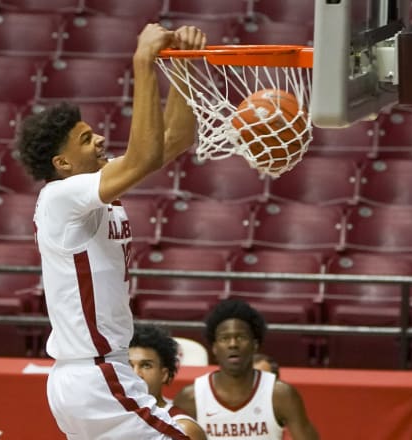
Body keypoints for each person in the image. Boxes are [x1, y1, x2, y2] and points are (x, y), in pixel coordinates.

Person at [16, 21, 206, 440]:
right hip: (94, 374)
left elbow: (172, 140)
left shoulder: (91, 189)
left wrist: (184, 68)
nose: (100, 139)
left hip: (97, 373)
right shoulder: (60, 197)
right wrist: (144, 62)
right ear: (62, 164)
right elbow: (143, 158)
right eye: (85, 139)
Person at [174, 299, 319, 440]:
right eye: (225, 338)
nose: (233, 344)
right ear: (214, 348)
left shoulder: (281, 395)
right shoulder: (190, 398)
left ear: (255, 344)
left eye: (241, 337)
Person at [129, 324, 207, 440]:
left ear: (164, 374)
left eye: (146, 365)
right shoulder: (107, 417)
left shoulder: (183, 428)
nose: (136, 374)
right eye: (129, 365)